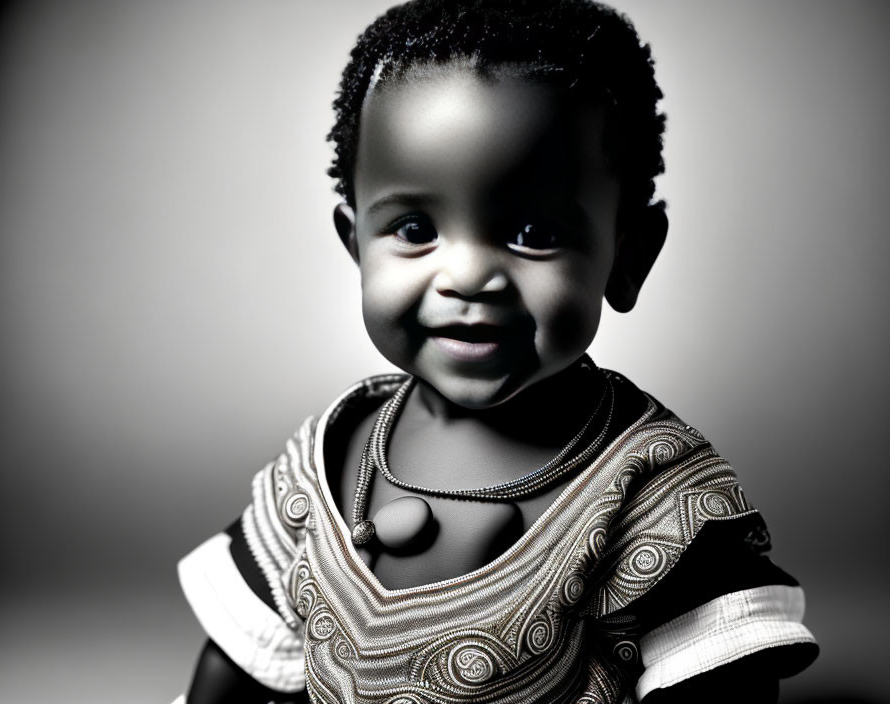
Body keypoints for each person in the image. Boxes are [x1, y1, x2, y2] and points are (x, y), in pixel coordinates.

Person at [173, 1, 818, 702]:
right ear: (355, 246)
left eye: (536, 233)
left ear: (628, 256)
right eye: (415, 228)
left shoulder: (646, 490)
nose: (468, 277)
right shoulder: (333, 453)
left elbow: (726, 676)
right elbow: (241, 655)